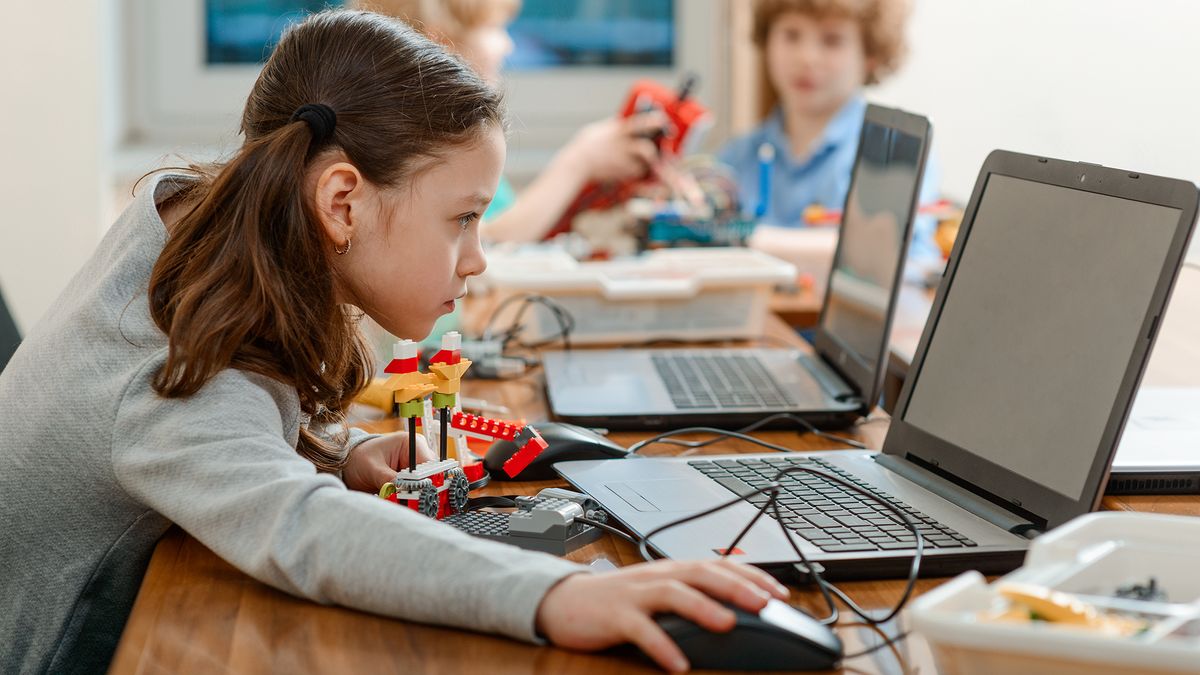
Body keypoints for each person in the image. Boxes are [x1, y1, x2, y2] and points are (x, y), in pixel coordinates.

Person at [0, 11, 788, 674]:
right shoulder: (177, 356)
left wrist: (336, 452)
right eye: (462, 218)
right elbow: (304, 529)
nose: (477, 257)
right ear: (341, 200)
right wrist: (559, 594)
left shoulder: (188, 228)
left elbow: (214, 436)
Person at [362, 0, 666, 242]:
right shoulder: (421, 150)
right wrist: (578, 162)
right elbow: (483, 244)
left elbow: (505, 220)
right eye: (495, 28)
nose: (508, 46)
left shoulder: (459, 137)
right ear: (440, 44)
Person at [719, 0, 941, 262]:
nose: (807, 58)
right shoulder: (734, 158)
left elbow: (892, 258)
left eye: (832, 40)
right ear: (767, 39)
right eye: (791, 35)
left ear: (869, 55)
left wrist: (746, 241)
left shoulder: (892, 154)